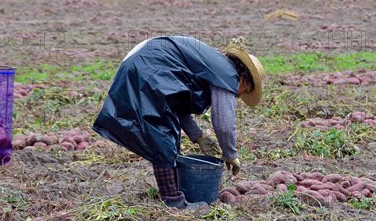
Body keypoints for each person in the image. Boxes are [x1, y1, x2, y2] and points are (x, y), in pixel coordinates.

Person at [92, 36, 265, 209]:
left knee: (165, 131)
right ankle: (173, 200)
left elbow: (177, 105)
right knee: (161, 134)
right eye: (245, 91)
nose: (239, 96)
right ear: (243, 78)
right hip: (149, 66)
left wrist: (199, 137)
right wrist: (230, 153)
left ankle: (175, 191)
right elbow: (224, 123)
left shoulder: (214, 67)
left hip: (146, 61)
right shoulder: (228, 75)